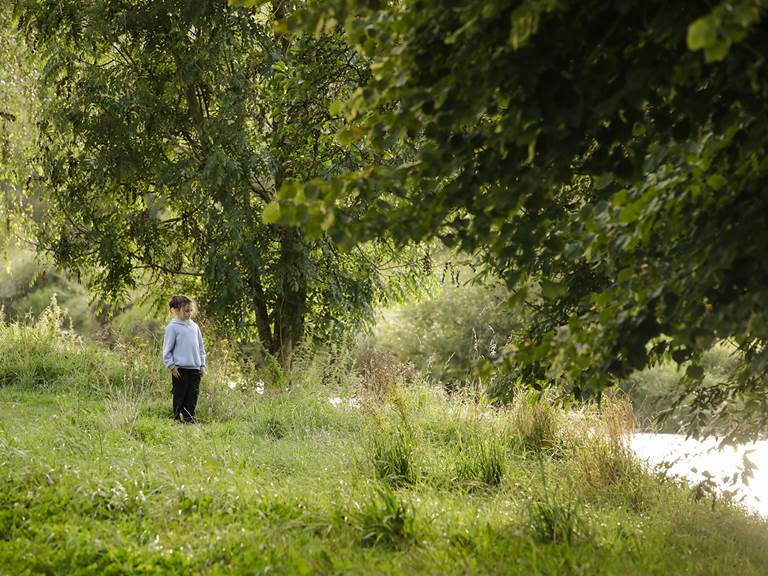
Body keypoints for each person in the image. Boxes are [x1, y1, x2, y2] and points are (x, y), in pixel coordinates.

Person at [162, 295, 206, 423]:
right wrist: (171, 365)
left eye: (190, 311)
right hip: (180, 369)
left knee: (192, 396)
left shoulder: (194, 327)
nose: (189, 313)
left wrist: (202, 365)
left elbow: (201, 348)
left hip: (195, 368)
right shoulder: (172, 328)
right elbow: (167, 350)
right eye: (186, 311)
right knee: (180, 395)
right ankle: (177, 419)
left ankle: (189, 419)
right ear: (176, 310)